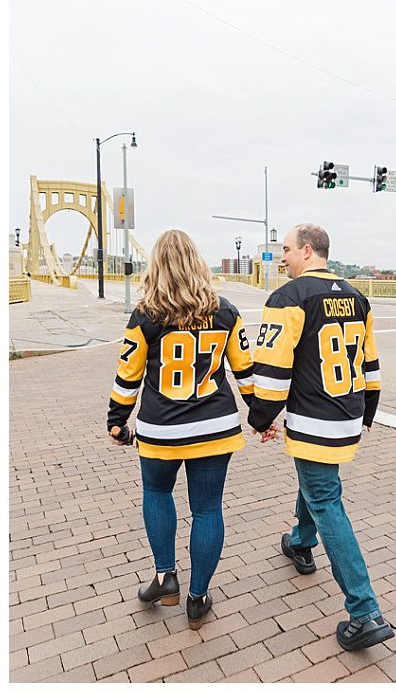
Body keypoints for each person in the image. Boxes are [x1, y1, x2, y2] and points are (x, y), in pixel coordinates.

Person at [248, 223, 394, 652]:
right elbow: (370, 363)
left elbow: (273, 370)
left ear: (308, 251)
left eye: (287, 250)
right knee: (316, 482)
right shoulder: (357, 297)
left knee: (327, 498)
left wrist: (260, 418)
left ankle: (364, 611)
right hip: (347, 413)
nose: (282, 258)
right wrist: (369, 410)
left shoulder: (288, 299)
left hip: (314, 418)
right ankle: (300, 541)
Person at [107, 230, 255, 630]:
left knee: (157, 492)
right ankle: (198, 597)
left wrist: (116, 420)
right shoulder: (225, 311)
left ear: (157, 267)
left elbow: (128, 376)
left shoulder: (145, 316)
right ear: (197, 263)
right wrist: (259, 414)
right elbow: (245, 370)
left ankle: (164, 576)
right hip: (216, 427)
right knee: (207, 509)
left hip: (161, 429)